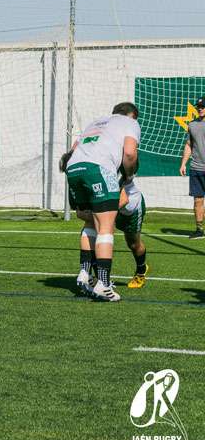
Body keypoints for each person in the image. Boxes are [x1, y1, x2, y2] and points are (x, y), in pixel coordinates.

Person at [64, 102, 140, 302]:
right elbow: (130, 153)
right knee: (106, 227)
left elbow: (72, 150)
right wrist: (129, 175)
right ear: (132, 115)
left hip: (74, 169)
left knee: (90, 221)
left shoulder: (95, 122)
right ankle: (103, 284)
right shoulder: (130, 123)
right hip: (98, 168)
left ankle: (84, 272)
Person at [180, 96, 205, 239]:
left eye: (203, 107)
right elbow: (189, 145)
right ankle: (199, 229)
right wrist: (183, 163)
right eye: (199, 107)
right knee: (198, 200)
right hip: (196, 167)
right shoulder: (192, 125)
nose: (200, 109)